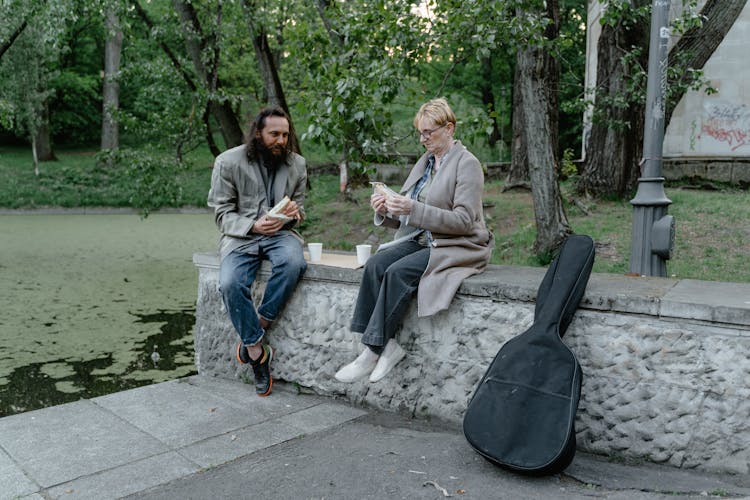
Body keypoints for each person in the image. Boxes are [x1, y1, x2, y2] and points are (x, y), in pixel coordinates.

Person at [335, 98, 494, 383]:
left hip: (458, 244)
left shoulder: (467, 164)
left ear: (449, 128)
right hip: (423, 238)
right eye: (420, 133)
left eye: (428, 132)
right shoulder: (426, 163)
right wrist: (387, 209)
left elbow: (464, 221)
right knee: (376, 264)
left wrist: (412, 209)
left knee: (397, 273)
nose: (422, 139)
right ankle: (385, 344)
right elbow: (411, 216)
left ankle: (372, 351)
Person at [208, 106, 307, 397]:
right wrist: (252, 225)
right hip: (242, 237)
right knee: (229, 282)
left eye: (285, 135)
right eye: (274, 134)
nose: (281, 140)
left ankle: (256, 328)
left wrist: (294, 214)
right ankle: (256, 352)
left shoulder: (297, 164)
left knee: (293, 263)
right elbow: (221, 214)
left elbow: (300, 207)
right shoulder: (227, 162)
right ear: (258, 133)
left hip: (281, 235)